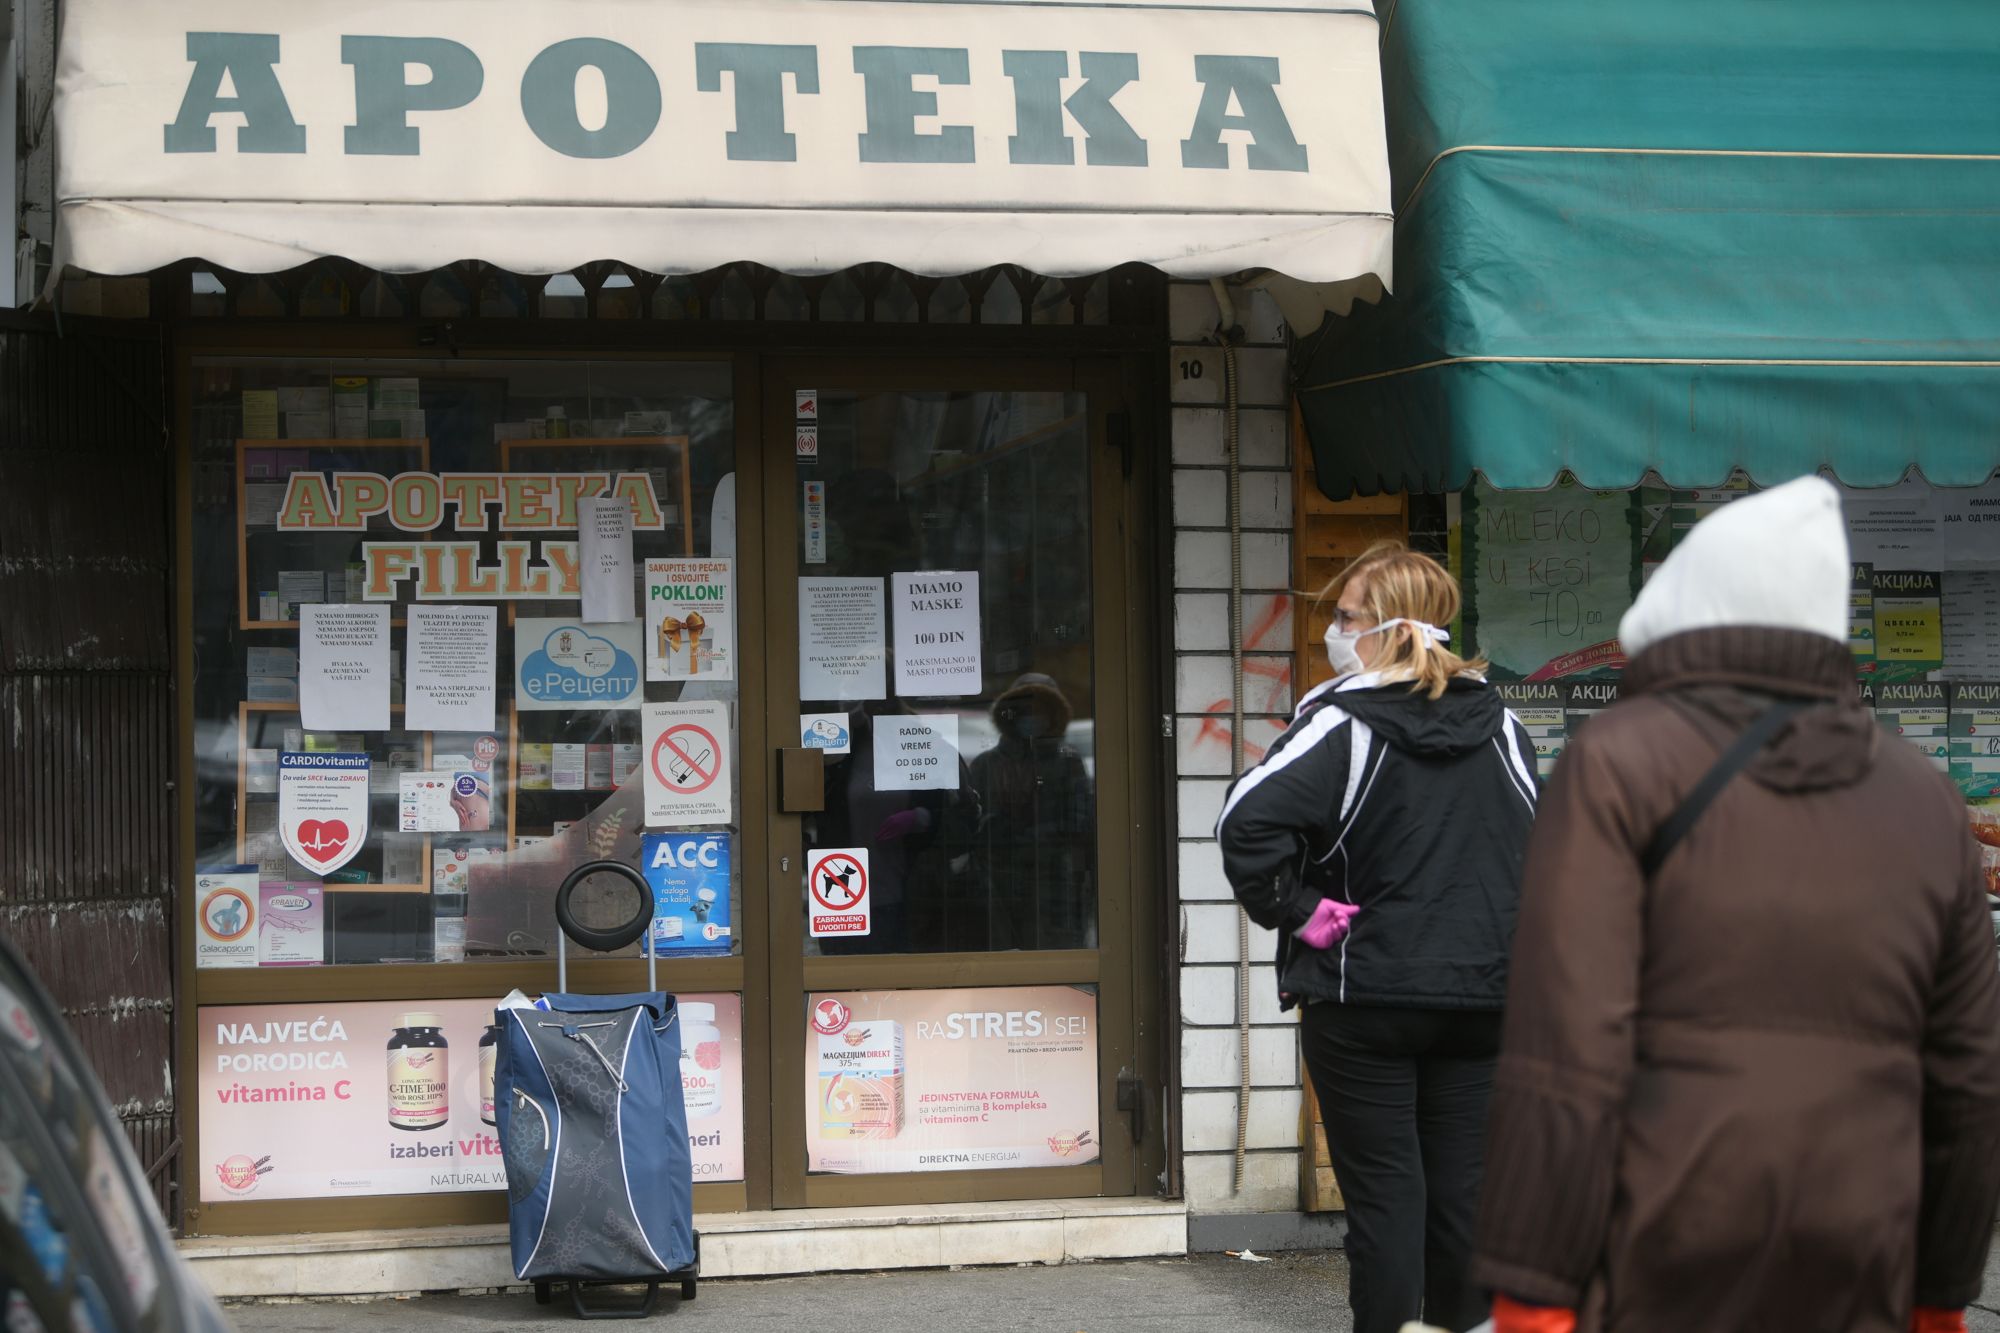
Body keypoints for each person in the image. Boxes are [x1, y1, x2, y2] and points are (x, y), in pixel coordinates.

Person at [1471, 476, 2000, 1333]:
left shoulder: (1617, 763)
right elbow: (1968, 1074)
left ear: (1686, 600)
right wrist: (1940, 1290)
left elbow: (1567, 1049)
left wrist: (1531, 1288)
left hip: (1659, 1252)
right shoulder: (1925, 799)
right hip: (1860, 1251)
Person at [1217, 543, 1538, 1333]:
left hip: (1366, 999)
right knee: (1464, 1196)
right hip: (1481, 997)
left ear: (1386, 627)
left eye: (1344, 614)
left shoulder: (1340, 722)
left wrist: (1299, 910)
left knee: (1387, 1195)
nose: (1333, 628)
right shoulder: (1504, 723)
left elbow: (1243, 821)